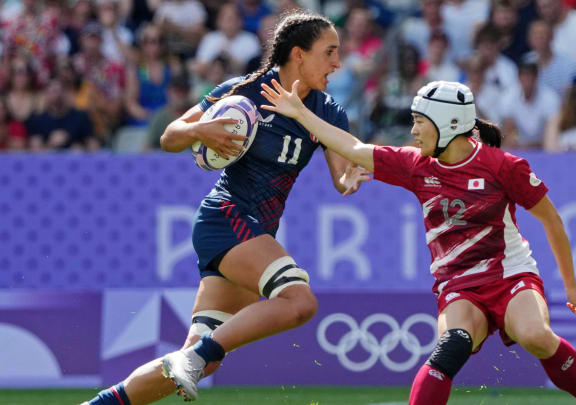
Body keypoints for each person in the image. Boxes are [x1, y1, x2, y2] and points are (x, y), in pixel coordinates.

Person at [260, 79, 576, 405]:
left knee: (536, 335)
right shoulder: (416, 166)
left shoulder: (504, 167)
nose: (412, 131)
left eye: (418, 121)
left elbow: (552, 220)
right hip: (458, 285)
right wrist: (301, 114)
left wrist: (572, 288)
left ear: (449, 124)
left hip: (511, 276)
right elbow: (352, 146)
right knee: (452, 345)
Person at [82, 11, 369, 405]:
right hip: (227, 218)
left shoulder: (328, 110)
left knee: (201, 360)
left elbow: (341, 174)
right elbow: (170, 137)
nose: (338, 62)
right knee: (299, 301)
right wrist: (200, 130)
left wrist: (348, 180)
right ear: (299, 54)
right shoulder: (245, 91)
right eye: (330, 52)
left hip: (254, 233)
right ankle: (198, 357)